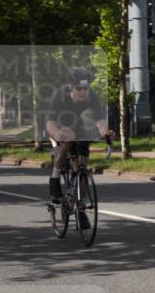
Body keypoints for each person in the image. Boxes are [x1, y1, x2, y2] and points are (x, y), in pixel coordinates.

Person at [45, 67, 114, 208]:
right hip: (57, 122)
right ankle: (55, 178)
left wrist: (105, 131)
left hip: (76, 123)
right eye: (79, 88)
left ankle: (79, 204)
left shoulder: (92, 96)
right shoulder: (59, 95)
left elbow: (100, 120)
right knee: (68, 139)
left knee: (82, 165)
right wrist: (57, 134)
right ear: (71, 87)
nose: (83, 92)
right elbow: (50, 123)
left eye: (86, 88)